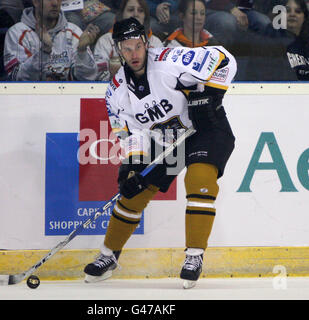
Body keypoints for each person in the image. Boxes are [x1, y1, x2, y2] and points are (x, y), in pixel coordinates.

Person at [83, 17, 237, 289]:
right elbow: (131, 134)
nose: (133, 53)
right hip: (167, 141)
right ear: (118, 49)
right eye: (126, 48)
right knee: (133, 192)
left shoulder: (171, 60)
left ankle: (194, 256)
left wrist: (212, 95)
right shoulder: (115, 92)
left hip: (205, 129)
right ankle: (108, 256)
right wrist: (132, 166)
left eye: (137, 46)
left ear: (146, 43)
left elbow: (225, 59)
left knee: (199, 181)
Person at [3, 0, 98, 81]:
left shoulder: (73, 31)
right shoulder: (17, 32)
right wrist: (44, 51)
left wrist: (82, 52)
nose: (55, 3)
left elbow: (87, 79)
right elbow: (17, 78)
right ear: (36, 1)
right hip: (30, 99)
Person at [93, 0, 163, 81]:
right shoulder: (106, 40)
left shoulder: (155, 42)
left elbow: (160, 75)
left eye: (140, 11)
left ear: (145, 17)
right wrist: (114, 75)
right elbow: (99, 77)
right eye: (130, 10)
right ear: (121, 14)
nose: (136, 14)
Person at [204, 0, 271, 47]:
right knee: (227, 22)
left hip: (246, 10)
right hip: (214, 8)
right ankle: (218, 57)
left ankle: (255, 62)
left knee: (264, 22)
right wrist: (230, 8)